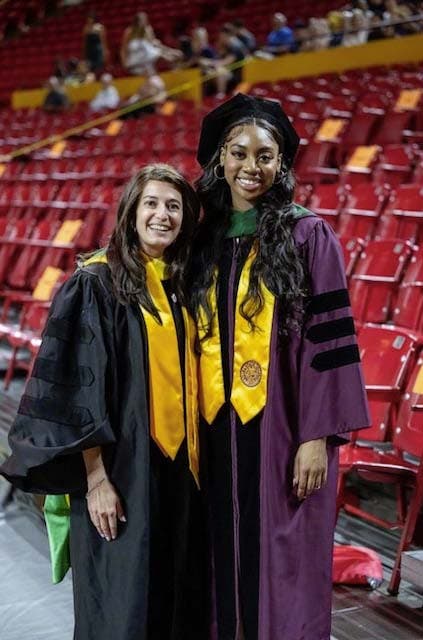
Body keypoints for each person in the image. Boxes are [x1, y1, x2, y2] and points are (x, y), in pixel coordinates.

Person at [189, 94, 370, 640]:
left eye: (265, 156)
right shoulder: (200, 240)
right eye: (239, 154)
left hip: (282, 429)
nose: (251, 167)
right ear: (220, 160)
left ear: (282, 164)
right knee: (214, 549)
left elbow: (330, 342)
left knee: (282, 558)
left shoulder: (307, 235)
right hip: (210, 426)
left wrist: (318, 437)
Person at [0, 164, 208, 640]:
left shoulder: (180, 286)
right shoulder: (95, 283)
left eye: (173, 206)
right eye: (151, 204)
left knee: (172, 597)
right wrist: (96, 480)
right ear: (130, 212)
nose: (162, 215)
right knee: (120, 603)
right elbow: (77, 390)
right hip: (121, 469)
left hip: (177, 472)